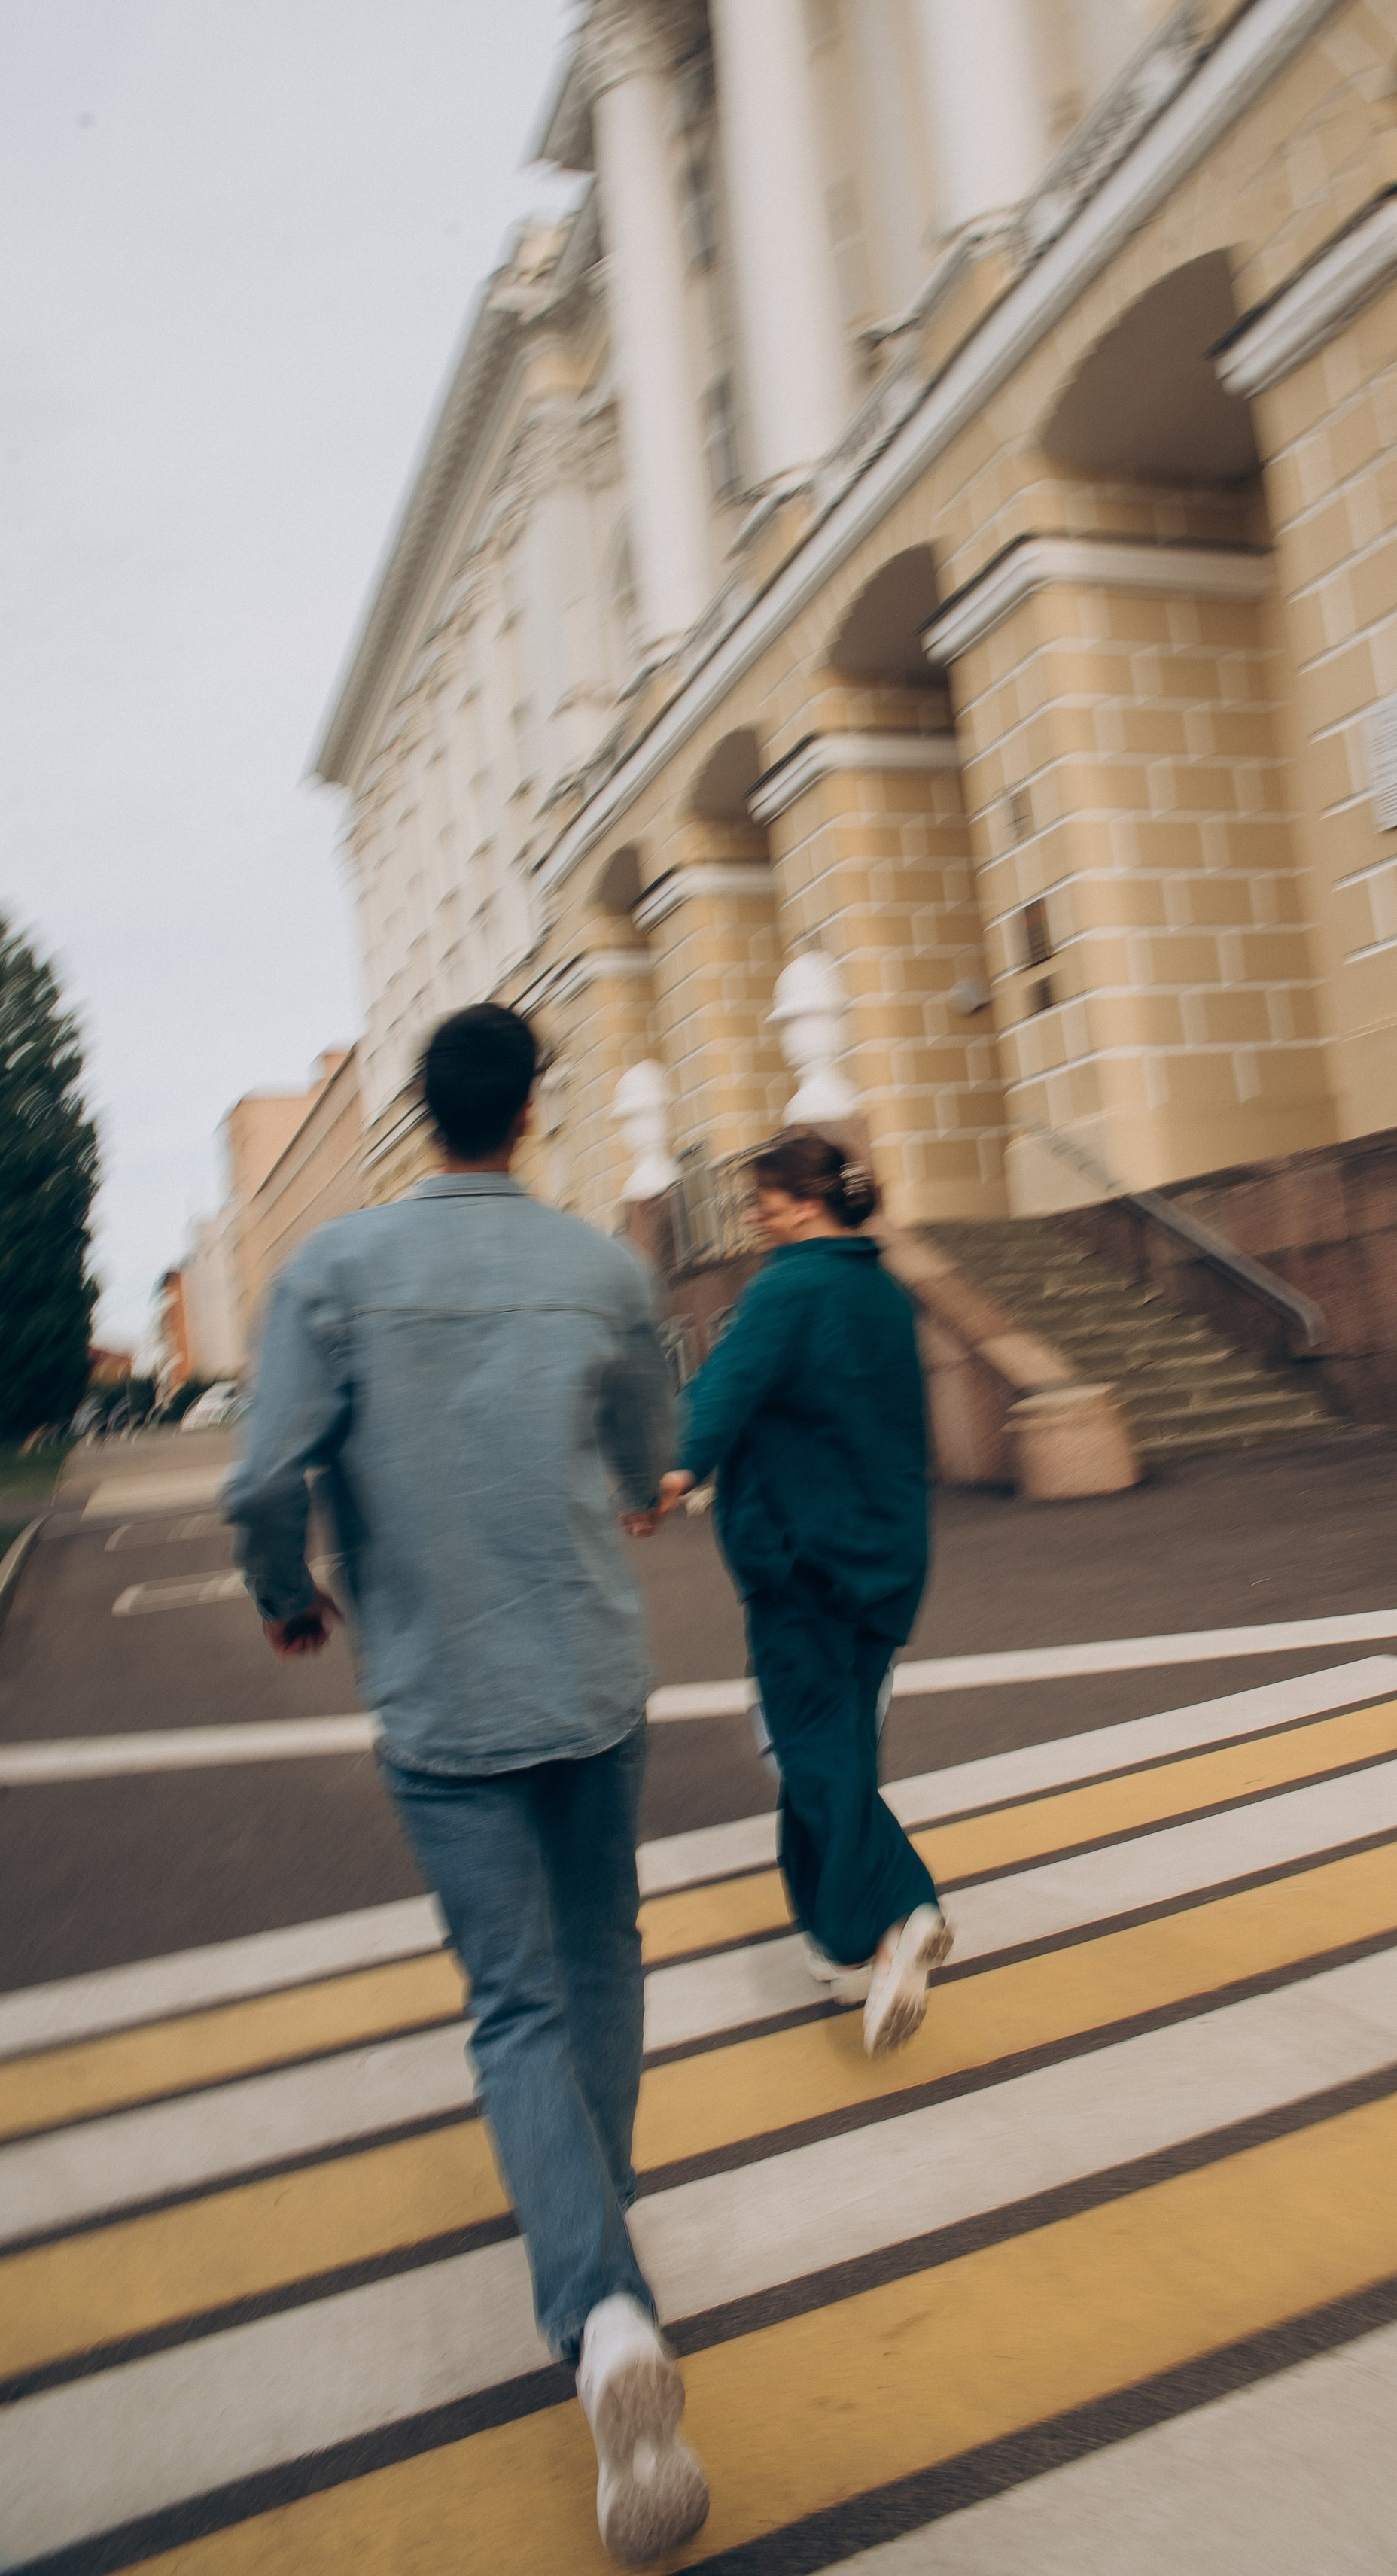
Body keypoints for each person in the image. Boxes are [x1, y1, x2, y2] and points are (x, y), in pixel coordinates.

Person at [223, 1004, 708, 2569]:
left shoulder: (335, 1272)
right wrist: (633, 1492)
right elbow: (651, 1438)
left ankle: (602, 2307)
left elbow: (262, 1474)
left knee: (512, 2004)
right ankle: (606, 2265)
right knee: (603, 1966)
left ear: (423, 1117)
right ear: (530, 1114)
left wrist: (285, 1591)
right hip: (587, 1673)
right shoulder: (598, 1267)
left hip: (441, 1705)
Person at [651, 1128, 949, 2057]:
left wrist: (666, 1475)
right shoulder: (883, 1289)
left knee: (810, 1749)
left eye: (763, 1196)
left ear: (806, 1201)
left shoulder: (786, 1286)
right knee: (836, 1744)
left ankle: (904, 1908)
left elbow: (720, 1394)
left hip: (801, 1565)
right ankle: (838, 1938)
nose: (752, 1211)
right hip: (883, 1556)